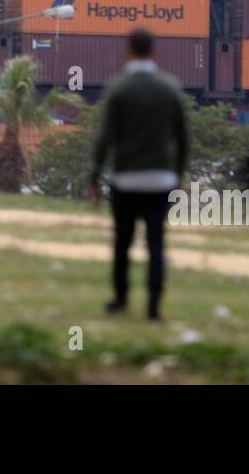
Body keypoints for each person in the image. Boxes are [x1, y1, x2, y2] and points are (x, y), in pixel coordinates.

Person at [88, 27, 189, 321]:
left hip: (126, 178)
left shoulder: (119, 88)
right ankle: (154, 308)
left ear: (128, 50)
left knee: (123, 242)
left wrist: (94, 177)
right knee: (156, 243)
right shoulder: (170, 87)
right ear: (154, 51)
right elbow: (183, 139)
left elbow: (104, 138)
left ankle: (120, 300)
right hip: (161, 179)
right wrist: (179, 175)